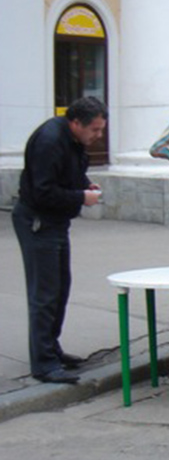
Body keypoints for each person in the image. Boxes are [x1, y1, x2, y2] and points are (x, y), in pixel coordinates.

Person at [12, 96, 107, 384]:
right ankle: (43, 364)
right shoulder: (50, 141)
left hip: (55, 222)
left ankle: (52, 350)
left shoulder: (73, 141)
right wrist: (81, 197)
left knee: (60, 288)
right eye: (95, 130)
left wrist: (83, 184)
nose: (98, 136)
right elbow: (43, 191)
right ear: (75, 123)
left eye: (101, 130)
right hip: (38, 221)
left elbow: (67, 175)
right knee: (45, 293)